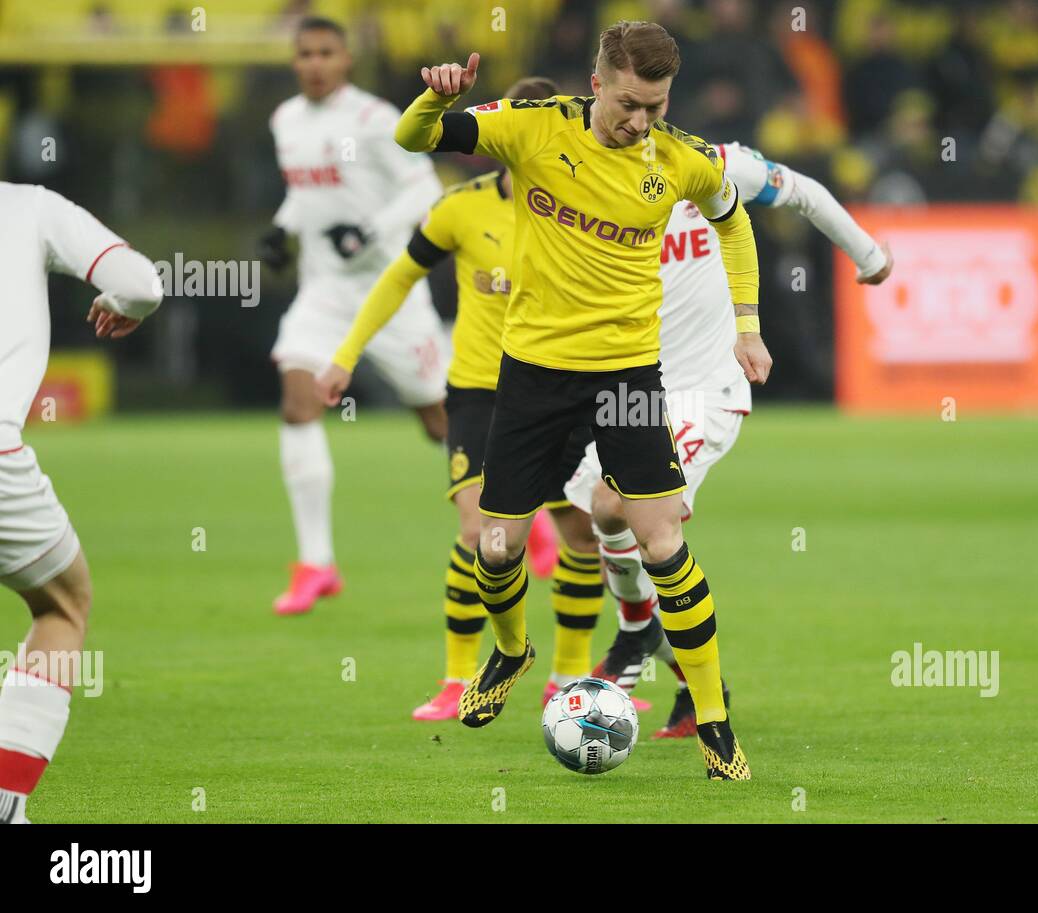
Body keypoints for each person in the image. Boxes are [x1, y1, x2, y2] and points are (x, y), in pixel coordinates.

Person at [320, 21, 766, 779]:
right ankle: (510, 650)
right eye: (629, 104)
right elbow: (409, 138)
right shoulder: (533, 130)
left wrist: (747, 327)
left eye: (655, 107)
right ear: (596, 85)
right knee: (496, 546)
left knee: (662, 541)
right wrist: (434, 101)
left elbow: (734, 222)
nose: (640, 122)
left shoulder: (681, 158)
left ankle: (715, 721)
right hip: (530, 376)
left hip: (628, 375)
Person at [570, 140, 893, 737]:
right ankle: (690, 677)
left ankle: (636, 629)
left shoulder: (718, 165)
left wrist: (867, 254)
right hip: (633, 388)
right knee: (602, 514)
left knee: (626, 510)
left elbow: (805, 193)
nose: (638, 121)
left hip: (706, 391)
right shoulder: (591, 181)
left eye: (650, 107)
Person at [319, 77, 610, 722]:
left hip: (561, 384)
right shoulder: (460, 209)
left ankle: (568, 677)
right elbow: (398, 278)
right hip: (481, 391)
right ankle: (457, 678)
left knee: (581, 532)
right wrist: (344, 357)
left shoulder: (587, 208)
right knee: (483, 533)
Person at [261, 15, 450, 615]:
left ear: (346, 60)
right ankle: (316, 563)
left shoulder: (374, 120)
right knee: (298, 401)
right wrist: (282, 228)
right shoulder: (285, 120)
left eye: (325, 53)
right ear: (295, 61)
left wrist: (369, 233)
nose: (314, 63)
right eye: (305, 53)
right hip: (323, 293)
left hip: (389, 291)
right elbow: (307, 189)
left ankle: (530, 519)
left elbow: (426, 188)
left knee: (442, 422)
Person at [0, 182, 163, 823]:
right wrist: (127, 304)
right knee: (62, 605)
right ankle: (7, 804)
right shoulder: (28, 206)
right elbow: (142, 285)